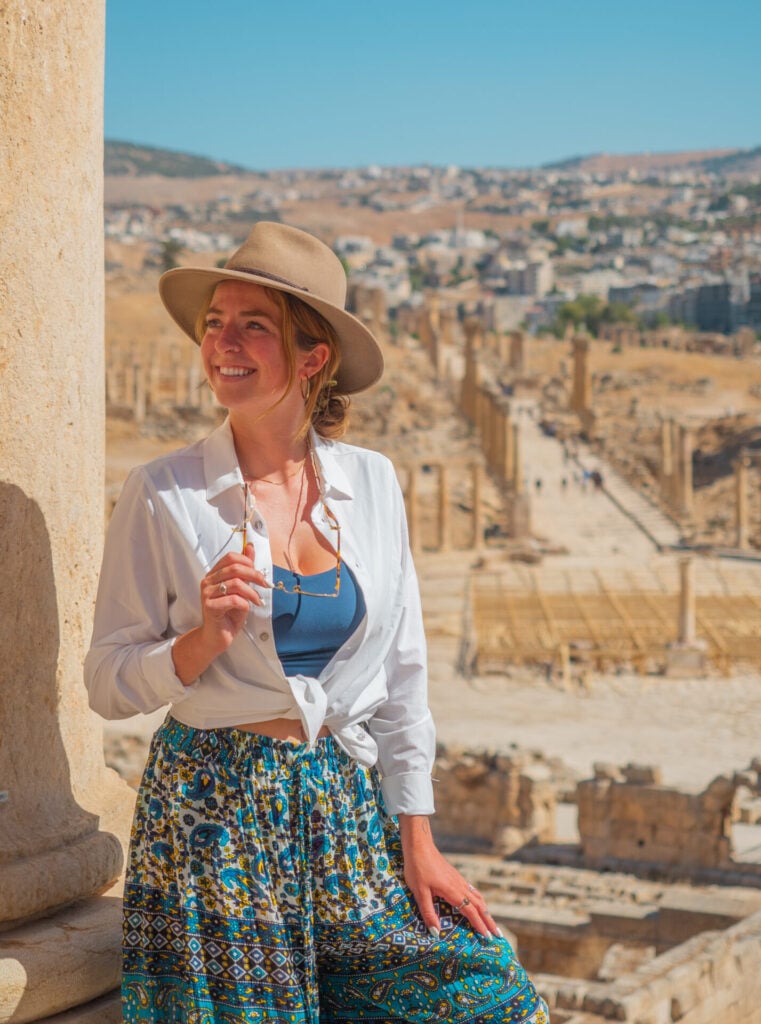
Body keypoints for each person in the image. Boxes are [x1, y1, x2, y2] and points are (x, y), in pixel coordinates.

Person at [85, 222, 550, 1023]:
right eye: (213, 324)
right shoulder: (162, 494)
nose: (222, 343)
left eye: (252, 325)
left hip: (342, 804)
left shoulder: (373, 482)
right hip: (212, 815)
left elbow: (403, 676)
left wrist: (419, 836)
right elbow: (106, 682)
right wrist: (199, 643)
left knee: (487, 997)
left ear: (312, 356)